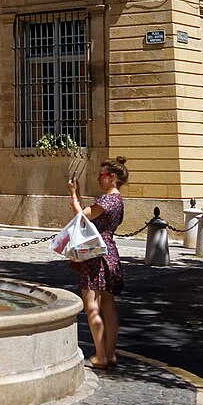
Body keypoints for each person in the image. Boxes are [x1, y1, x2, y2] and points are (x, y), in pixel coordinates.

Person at [68, 156, 128, 369]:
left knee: (92, 305)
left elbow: (81, 218)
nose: (98, 179)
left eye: (101, 175)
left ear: (112, 178)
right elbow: (93, 218)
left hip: (95, 254)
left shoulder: (107, 200)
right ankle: (110, 354)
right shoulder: (117, 200)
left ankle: (101, 356)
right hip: (110, 252)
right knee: (109, 304)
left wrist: (73, 194)